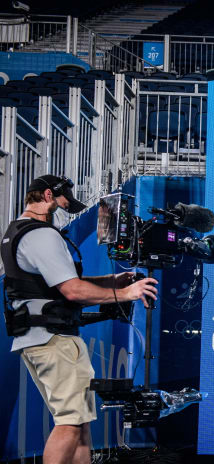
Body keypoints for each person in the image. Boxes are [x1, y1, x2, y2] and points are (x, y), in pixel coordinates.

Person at [1, 175, 158, 464]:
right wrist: (126, 293)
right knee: (70, 424)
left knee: (80, 423)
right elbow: (72, 290)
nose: (63, 210)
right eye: (62, 203)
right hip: (53, 339)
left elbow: (59, 281)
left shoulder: (16, 232)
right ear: (47, 195)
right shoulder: (41, 234)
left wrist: (111, 280)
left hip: (41, 337)